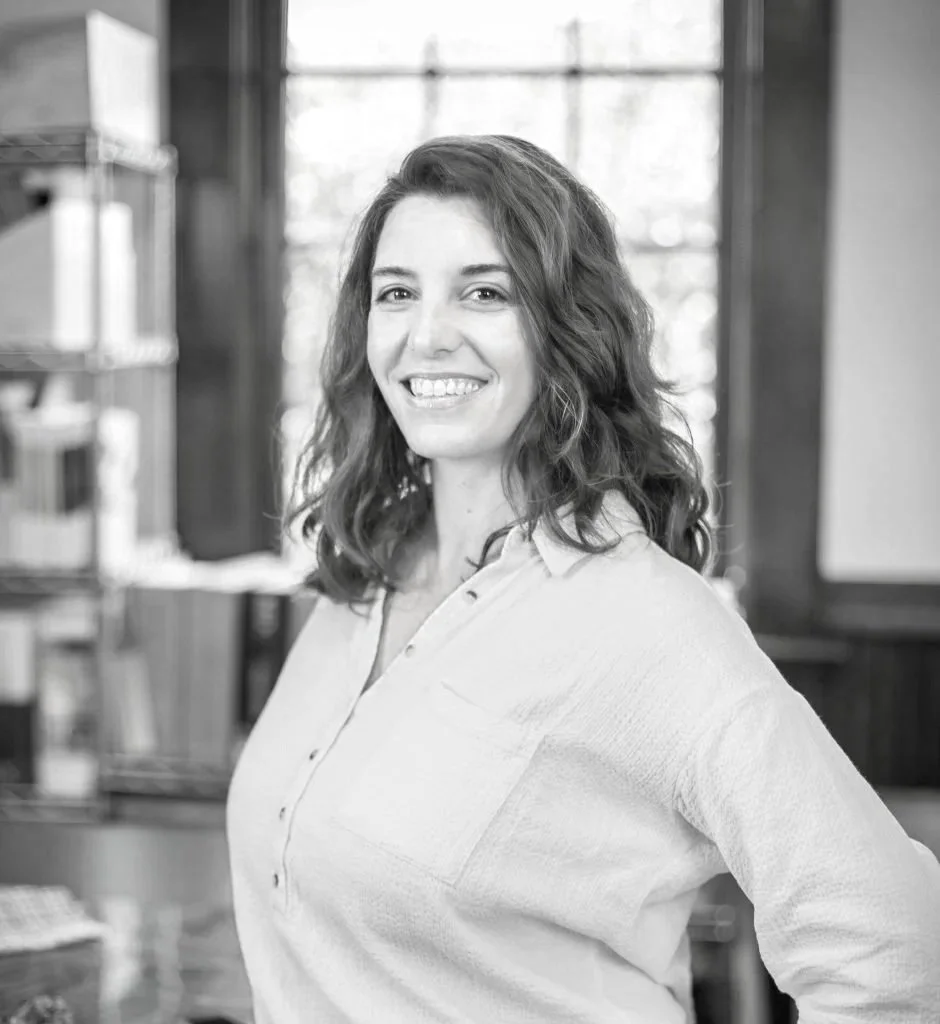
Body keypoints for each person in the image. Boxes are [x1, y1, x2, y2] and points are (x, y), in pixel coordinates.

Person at [225, 134, 940, 1023]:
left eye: (485, 293)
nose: (427, 334)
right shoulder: (361, 578)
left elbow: (892, 945)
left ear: (566, 327)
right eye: (396, 292)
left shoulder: (643, 618)